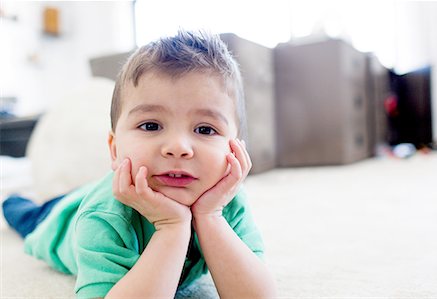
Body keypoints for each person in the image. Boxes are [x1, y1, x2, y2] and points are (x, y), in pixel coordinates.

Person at [2, 30, 277, 298]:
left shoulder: (227, 203)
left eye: (205, 129)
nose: (179, 148)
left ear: (236, 149)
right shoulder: (104, 217)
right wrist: (172, 226)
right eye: (151, 125)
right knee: (22, 212)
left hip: (95, 191)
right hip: (57, 219)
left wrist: (210, 217)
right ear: (114, 149)